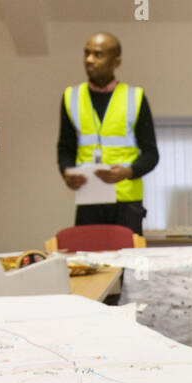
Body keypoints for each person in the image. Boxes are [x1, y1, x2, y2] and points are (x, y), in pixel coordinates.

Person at [56, 32, 160, 234]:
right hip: (89, 197)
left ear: (116, 61)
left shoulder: (135, 97)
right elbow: (65, 148)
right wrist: (66, 172)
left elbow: (151, 154)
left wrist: (128, 172)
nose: (89, 60)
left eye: (98, 55)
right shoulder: (71, 97)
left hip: (127, 201)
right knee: (88, 263)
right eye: (86, 54)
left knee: (128, 263)